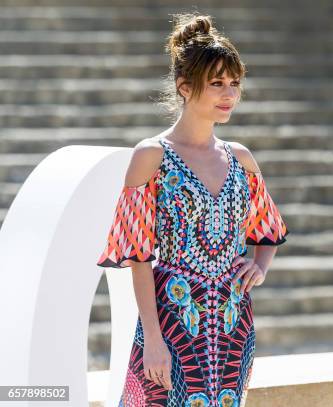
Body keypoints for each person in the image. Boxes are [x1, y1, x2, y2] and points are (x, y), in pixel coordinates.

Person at [96, 12, 289, 407]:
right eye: (217, 83)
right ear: (185, 86)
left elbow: (267, 229)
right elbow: (138, 256)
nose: (229, 94)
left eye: (234, 83)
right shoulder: (151, 156)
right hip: (173, 317)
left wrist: (260, 265)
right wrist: (152, 336)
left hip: (234, 321)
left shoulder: (241, 158)